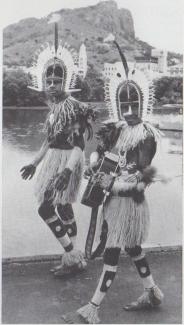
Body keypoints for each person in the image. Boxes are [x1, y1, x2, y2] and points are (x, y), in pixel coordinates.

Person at [64, 38, 164, 323]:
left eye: (134, 102)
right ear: (117, 103)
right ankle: (153, 292)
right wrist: (94, 169)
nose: (129, 108)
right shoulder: (115, 130)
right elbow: (98, 153)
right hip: (113, 203)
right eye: (124, 102)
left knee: (112, 252)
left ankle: (91, 308)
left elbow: (142, 179)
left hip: (129, 205)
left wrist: (113, 184)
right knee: (132, 249)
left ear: (143, 101)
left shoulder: (146, 136)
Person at [20, 31, 95, 276]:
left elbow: (79, 146)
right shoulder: (53, 109)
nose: (52, 85)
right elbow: (49, 141)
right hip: (54, 160)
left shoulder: (74, 108)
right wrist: (34, 163)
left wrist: (66, 171)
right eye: (48, 80)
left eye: (56, 80)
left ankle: (72, 256)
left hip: (67, 163)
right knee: (62, 208)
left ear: (66, 81)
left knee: (46, 209)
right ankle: (75, 257)